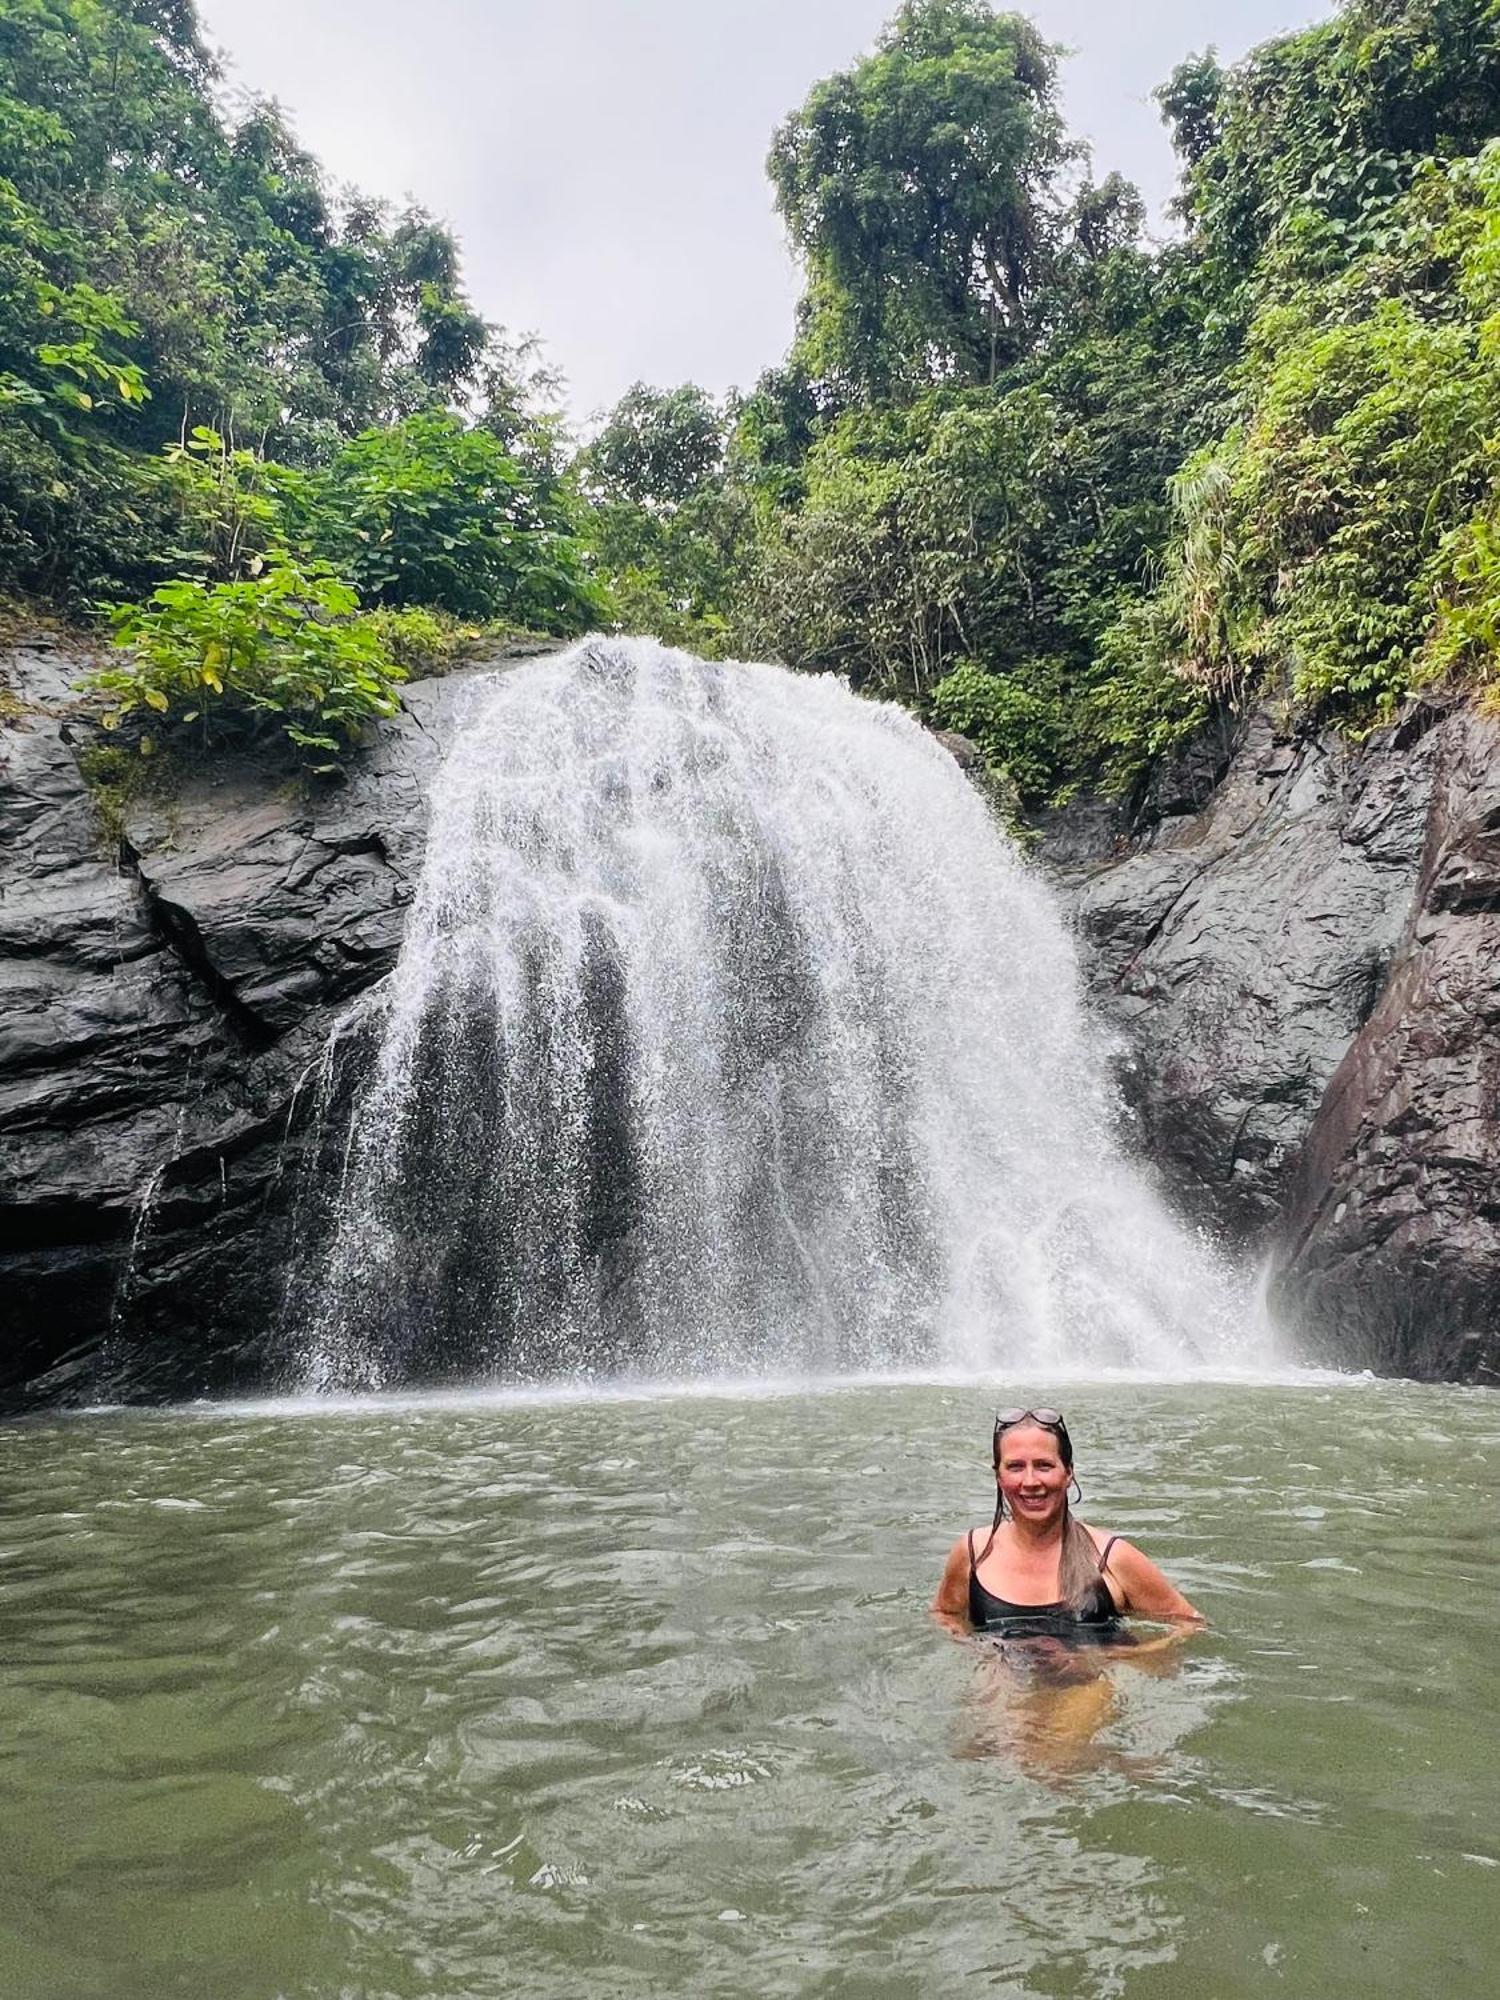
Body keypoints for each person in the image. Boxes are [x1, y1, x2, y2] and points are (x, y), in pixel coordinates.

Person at [932, 1407, 1202, 1639]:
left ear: (1068, 1473)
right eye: (1015, 1467)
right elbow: (945, 1615)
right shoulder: (973, 1552)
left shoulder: (1110, 1557)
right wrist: (975, 1653)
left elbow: (1191, 1624)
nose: (1030, 1482)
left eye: (1044, 1466)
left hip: (1087, 1690)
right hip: (1003, 1693)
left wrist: (1130, 1659)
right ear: (998, 1476)